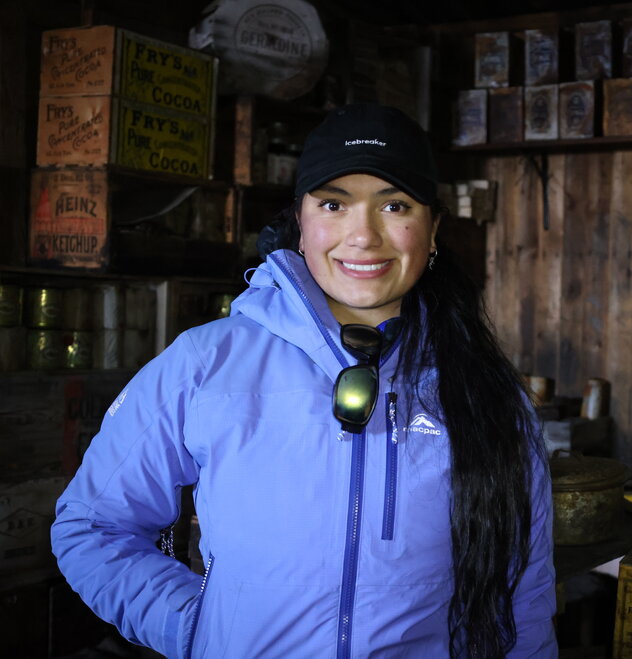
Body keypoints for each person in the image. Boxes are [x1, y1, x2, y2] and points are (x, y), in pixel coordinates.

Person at [51, 103, 557, 658]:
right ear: (301, 222)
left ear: (433, 230)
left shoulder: (487, 392)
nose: (362, 235)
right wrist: (195, 628)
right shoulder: (205, 363)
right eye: (334, 204)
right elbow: (94, 527)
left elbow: (523, 595)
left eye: (394, 205)